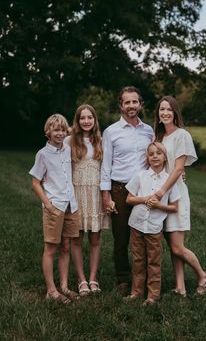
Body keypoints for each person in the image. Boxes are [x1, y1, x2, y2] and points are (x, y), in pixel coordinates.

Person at [154, 96, 206, 296]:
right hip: (163, 196)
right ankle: (180, 287)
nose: (165, 113)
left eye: (169, 109)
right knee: (172, 244)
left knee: (178, 247)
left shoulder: (182, 135)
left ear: (175, 112)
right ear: (158, 114)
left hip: (175, 193)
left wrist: (161, 191)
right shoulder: (160, 137)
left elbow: (178, 170)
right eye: (162, 109)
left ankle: (202, 275)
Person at [100, 86, 153, 294]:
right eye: (127, 102)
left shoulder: (148, 131)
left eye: (134, 102)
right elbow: (106, 166)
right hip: (119, 190)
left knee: (144, 235)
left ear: (140, 104)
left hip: (143, 191)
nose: (131, 105)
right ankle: (123, 279)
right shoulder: (111, 132)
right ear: (121, 105)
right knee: (121, 237)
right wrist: (106, 196)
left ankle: (145, 278)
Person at [29, 114, 80, 304]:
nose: (59, 133)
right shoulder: (43, 154)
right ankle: (51, 290)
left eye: (62, 130)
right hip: (55, 206)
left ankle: (64, 286)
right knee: (51, 248)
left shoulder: (68, 149)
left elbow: (77, 128)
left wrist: (70, 128)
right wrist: (48, 205)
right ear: (48, 132)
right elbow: (35, 183)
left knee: (66, 246)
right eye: (55, 130)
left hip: (70, 205)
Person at [124, 142, 180, 306]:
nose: (155, 156)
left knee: (154, 261)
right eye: (151, 154)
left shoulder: (169, 180)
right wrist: (144, 199)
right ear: (147, 158)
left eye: (158, 153)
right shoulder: (141, 176)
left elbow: (174, 207)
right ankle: (136, 292)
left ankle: (153, 296)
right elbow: (129, 199)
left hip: (155, 227)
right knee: (138, 259)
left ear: (164, 157)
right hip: (136, 224)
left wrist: (159, 206)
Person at [65, 104, 110, 296]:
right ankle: (81, 279)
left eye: (89, 117)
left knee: (95, 238)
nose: (86, 121)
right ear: (77, 120)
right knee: (76, 238)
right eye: (82, 118)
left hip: (95, 194)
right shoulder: (69, 141)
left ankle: (93, 277)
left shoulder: (100, 140)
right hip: (76, 193)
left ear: (94, 120)